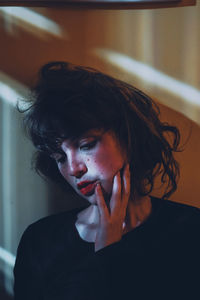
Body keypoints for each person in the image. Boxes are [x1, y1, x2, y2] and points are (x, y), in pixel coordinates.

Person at [14, 61, 200, 300]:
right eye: (60, 158)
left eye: (86, 145)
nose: (73, 168)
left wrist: (111, 254)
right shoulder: (40, 242)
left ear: (127, 138)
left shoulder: (189, 230)